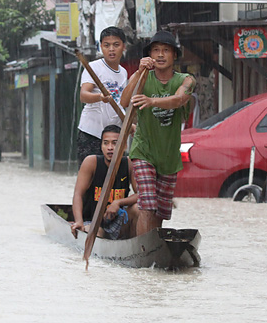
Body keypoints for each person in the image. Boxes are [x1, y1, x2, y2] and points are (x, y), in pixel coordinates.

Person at [120, 30, 196, 236]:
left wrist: (152, 101)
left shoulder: (186, 80)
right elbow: (124, 101)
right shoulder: (143, 77)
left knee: (160, 212)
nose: (160, 55)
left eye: (165, 50)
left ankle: (153, 250)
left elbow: (179, 100)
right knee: (147, 205)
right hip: (143, 151)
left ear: (174, 56)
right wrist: (138, 72)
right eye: (156, 51)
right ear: (150, 55)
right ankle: (143, 251)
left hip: (169, 157)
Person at [71, 125, 139, 240]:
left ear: (124, 146)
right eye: (106, 143)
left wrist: (117, 202)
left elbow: (142, 194)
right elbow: (78, 194)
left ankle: (135, 246)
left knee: (138, 208)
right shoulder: (91, 162)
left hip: (118, 220)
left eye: (115, 143)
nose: (110, 147)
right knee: (94, 233)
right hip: (93, 222)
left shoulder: (129, 164)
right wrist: (79, 222)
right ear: (101, 146)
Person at [77, 26, 128, 166]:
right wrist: (100, 97)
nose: (111, 49)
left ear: (123, 46)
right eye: (107, 45)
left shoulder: (123, 73)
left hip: (112, 137)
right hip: (91, 134)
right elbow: (84, 95)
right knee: (90, 180)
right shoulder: (94, 67)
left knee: (111, 181)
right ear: (101, 47)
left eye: (116, 45)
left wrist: (128, 123)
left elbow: (119, 103)